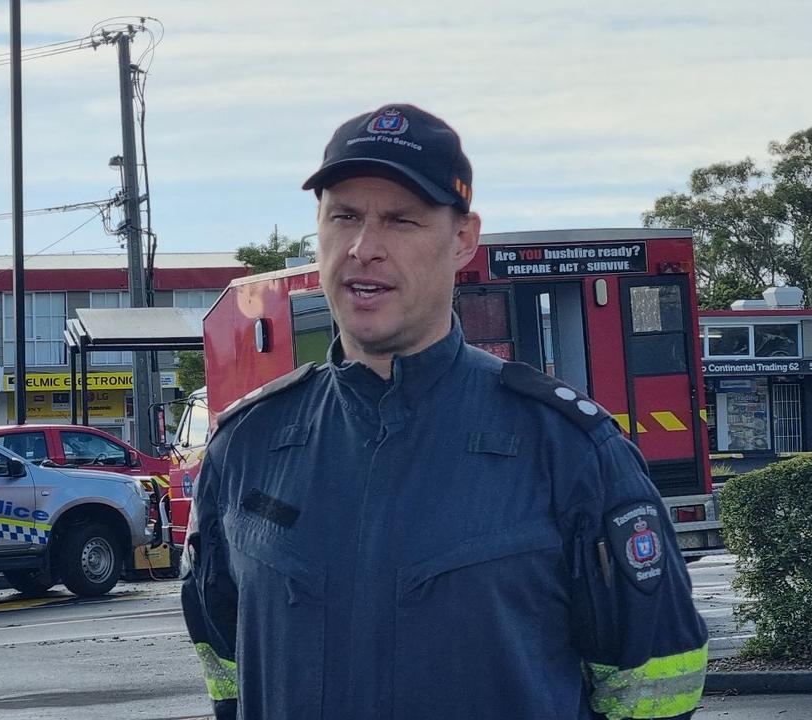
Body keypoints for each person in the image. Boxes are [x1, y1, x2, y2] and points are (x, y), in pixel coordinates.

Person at [181, 103, 709, 720]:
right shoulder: (247, 445)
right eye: (343, 216)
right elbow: (223, 662)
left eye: (401, 220)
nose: (363, 248)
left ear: (462, 239)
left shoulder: (567, 450)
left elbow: (653, 687)